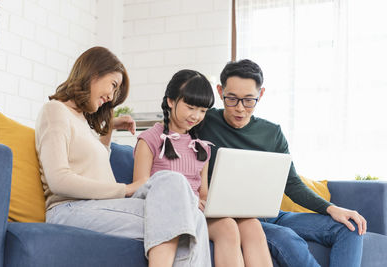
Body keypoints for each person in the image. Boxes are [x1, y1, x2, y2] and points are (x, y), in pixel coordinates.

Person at [34, 46, 211, 267]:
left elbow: (94, 163)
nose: (111, 96)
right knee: (182, 210)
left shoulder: (81, 120)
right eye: (113, 85)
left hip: (99, 206)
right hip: (70, 209)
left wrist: (109, 128)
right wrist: (126, 189)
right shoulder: (55, 110)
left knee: (189, 208)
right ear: (93, 73)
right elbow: (58, 179)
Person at [198, 59, 367, 267]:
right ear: (219, 91)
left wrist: (331, 208)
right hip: (238, 221)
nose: (240, 109)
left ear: (261, 94)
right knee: (287, 238)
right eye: (231, 99)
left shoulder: (273, 133)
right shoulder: (202, 122)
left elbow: (292, 184)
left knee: (350, 227)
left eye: (249, 100)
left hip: (272, 215)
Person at [133, 69, 273, 267]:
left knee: (242, 226)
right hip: (168, 210)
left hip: (198, 213)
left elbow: (204, 192)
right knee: (227, 226)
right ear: (171, 101)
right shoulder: (150, 139)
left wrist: (209, 202)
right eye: (190, 107)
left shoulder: (202, 147)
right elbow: (140, 188)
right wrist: (190, 201)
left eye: (202, 111)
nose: (196, 116)